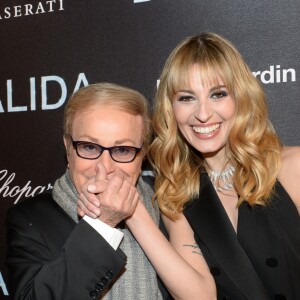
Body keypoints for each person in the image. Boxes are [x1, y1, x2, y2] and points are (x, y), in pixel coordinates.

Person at [146, 32, 300, 299]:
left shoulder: (291, 167)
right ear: (171, 109)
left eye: (218, 94)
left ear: (240, 98)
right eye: (186, 98)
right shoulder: (177, 194)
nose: (203, 114)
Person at [5, 83, 161, 300]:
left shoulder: (168, 210)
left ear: (142, 155)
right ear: (68, 149)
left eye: (123, 150)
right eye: (89, 147)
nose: (104, 167)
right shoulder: (30, 220)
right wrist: (103, 225)